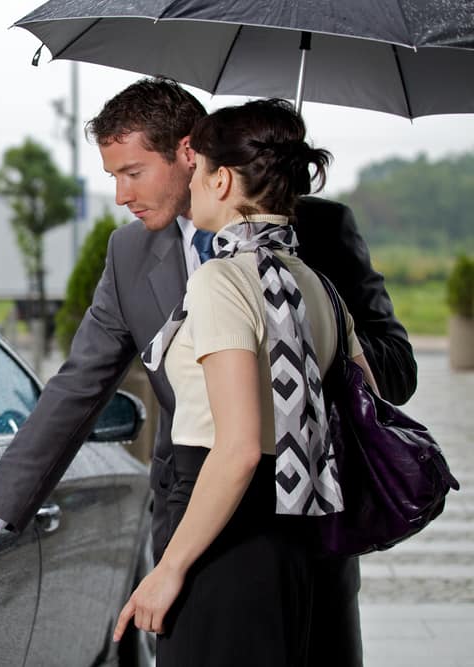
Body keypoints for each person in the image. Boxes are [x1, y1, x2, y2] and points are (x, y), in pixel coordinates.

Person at [0, 78, 416, 666]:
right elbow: (77, 387)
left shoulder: (317, 238)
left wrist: (301, 337)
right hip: (193, 520)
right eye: (112, 176)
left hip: (309, 525)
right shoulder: (129, 254)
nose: (119, 195)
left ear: (190, 154)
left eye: (132, 172)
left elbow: (396, 371)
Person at [109, 97, 378, 665]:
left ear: (223, 179)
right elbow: (364, 406)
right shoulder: (315, 284)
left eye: (200, 169)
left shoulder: (221, 281)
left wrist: (170, 568)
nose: (195, 181)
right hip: (298, 540)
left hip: (218, 537)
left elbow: (235, 450)